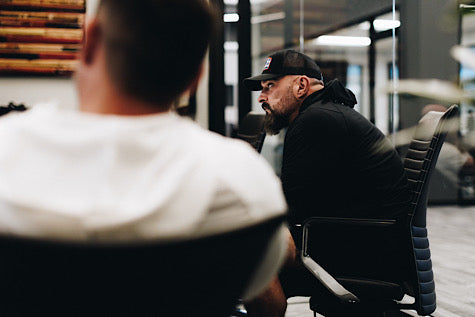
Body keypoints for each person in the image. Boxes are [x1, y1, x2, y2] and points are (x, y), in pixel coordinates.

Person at [0, 1, 289, 314]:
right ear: (197, 76)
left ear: (90, 40)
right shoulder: (245, 185)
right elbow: (270, 306)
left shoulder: (8, 150)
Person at [244, 49, 411, 298]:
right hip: (367, 243)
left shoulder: (316, 121)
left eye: (269, 86)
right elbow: (304, 194)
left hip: (364, 257)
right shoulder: (324, 113)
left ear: (301, 86)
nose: (261, 97)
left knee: (250, 260)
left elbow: (291, 206)